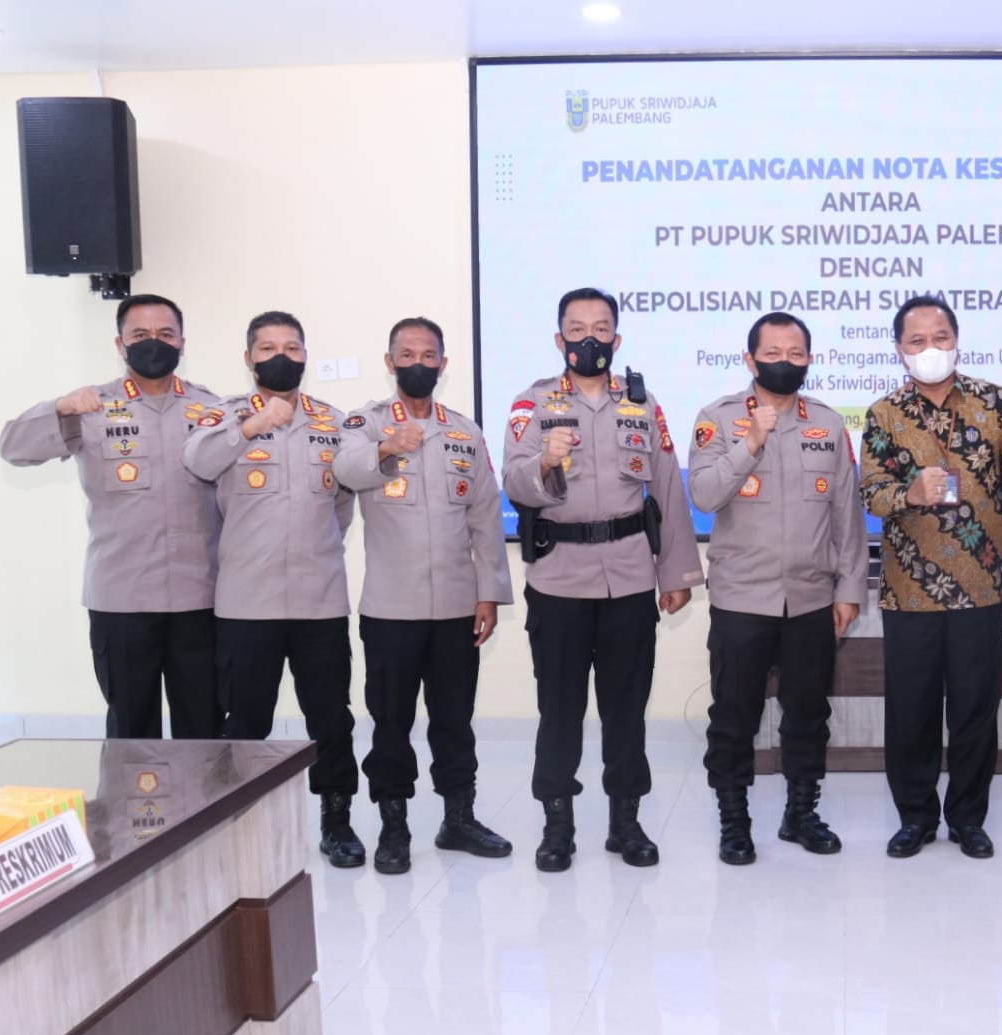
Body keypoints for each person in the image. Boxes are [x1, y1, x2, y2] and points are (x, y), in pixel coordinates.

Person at [502, 288, 703, 872]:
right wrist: (543, 460)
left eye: (600, 327)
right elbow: (515, 480)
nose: (588, 338)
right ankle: (557, 824)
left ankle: (626, 821)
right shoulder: (533, 404)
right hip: (560, 577)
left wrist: (678, 572)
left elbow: (666, 487)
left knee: (626, 706)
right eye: (576, 327)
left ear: (617, 339)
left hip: (631, 575)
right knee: (558, 707)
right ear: (558, 338)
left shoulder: (642, 403)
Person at [860, 295, 1002, 860]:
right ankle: (915, 817)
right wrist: (906, 493)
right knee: (909, 712)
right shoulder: (883, 413)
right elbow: (869, 492)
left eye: (940, 338)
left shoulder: (996, 402)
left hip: (984, 586)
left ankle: (968, 817)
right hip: (909, 590)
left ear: (957, 341)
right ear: (899, 350)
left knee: (974, 710)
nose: (929, 350)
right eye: (916, 341)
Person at [182, 311, 365, 869]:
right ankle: (242, 825)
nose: (279, 355)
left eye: (291, 346)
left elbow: (341, 507)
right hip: (247, 601)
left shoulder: (334, 422)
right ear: (249, 359)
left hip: (319, 600)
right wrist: (250, 429)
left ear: (306, 356)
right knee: (246, 722)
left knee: (331, 718)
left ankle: (337, 820)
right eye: (267, 347)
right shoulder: (223, 416)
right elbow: (198, 462)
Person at [333, 317, 515, 874]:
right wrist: (387, 448)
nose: (417, 361)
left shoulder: (464, 430)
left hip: (458, 606)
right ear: (390, 362)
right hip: (392, 608)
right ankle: (394, 826)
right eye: (406, 353)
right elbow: (344, 469)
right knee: (390, 722)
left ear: (442, 363)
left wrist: (490, 594)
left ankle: (458, 818)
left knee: (454, 720)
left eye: (428, 353)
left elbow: (485, 518)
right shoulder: (364, 422)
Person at [687, 311, 868, 865]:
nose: (783, 362)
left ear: (809, 359)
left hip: (812, 598)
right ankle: (735, 821)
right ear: (749, 359)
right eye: (772, 352)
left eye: (795, 353)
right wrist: (751, 443)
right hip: (743, 597)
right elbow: (703, 494)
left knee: (809, 714)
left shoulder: (830, 424)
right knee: (734, 714)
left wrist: (849, 590)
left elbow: (846, 515)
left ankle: (800, 813)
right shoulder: (717, 419)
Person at [0, 294, 223, 740]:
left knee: (203, 726)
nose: (153, 343)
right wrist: (59, 407)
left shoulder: (213, 410)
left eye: (165, 334)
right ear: (120, 345)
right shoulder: (91, 406)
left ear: (182, 343)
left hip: (201, 595)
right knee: (131, 728)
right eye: (140, 335)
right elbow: (13, 448)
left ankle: (203, 811)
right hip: (122, 598)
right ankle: (131, 811)